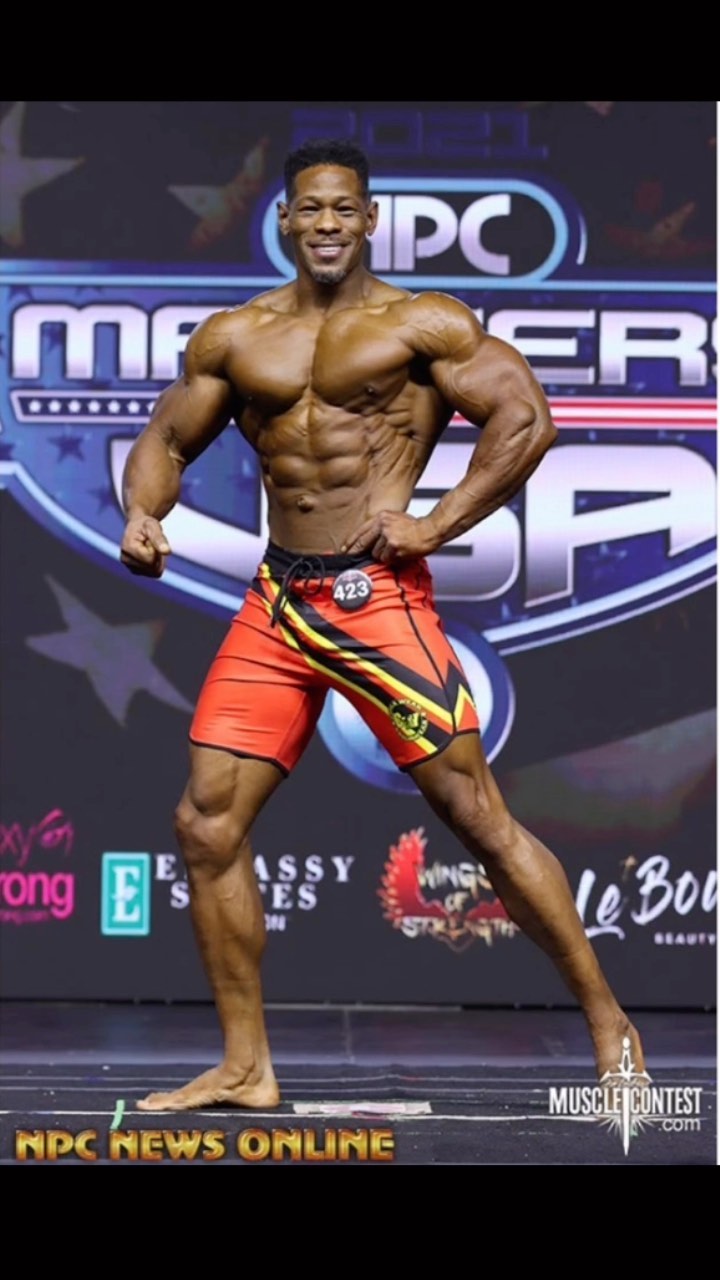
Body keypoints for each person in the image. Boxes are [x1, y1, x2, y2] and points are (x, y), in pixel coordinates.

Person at [120, 138, 645, 1111]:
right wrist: (143, 514)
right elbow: (164, 438)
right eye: (309, 208)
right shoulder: (236, 336)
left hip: (378, 597)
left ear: (369, 220)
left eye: (343, 209)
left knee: (477, 817)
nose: (326, 224)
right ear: (285, 220)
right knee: (205, 821)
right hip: (279, 603)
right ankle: (246, 1065)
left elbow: (526, 418)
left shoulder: (420, 323)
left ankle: (610, 1021)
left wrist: (436, 524)